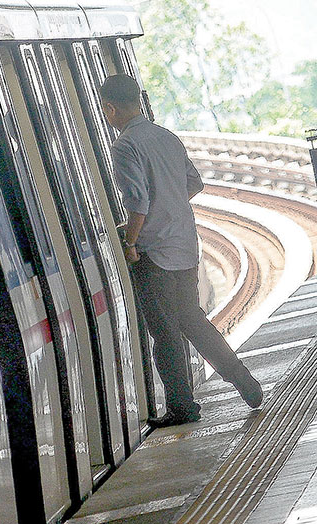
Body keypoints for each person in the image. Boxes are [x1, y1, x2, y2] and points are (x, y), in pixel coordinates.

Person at [100, 73, 263, 427]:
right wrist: (171, 206)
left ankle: (182, 408)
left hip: (153, 254)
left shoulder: (125, 146)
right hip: (184, 246)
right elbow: (195, 182)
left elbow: (138, 203)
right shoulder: (167, 137)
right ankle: (244, 381)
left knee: (166, 333)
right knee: (193, 321)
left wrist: (129, 242)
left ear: (111, 108)